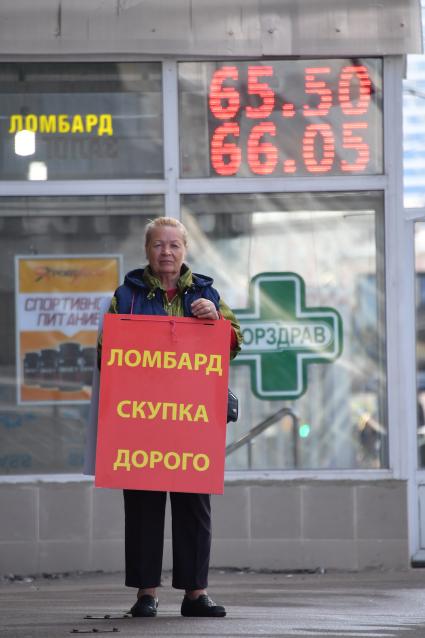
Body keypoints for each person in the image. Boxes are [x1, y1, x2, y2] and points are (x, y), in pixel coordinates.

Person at [98, 216, 242, 618]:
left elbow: (234, 342)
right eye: (159, 245)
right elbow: (104, 353)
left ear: (185, 250)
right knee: (143, 505)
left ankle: (196, 594)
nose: (167, 251)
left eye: (174, 244)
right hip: (141, 419)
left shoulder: (206, 293)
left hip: (191, 418)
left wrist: (215, 319)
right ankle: (146, 594)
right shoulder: (125, 295)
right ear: (148, 250)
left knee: (194, 505)